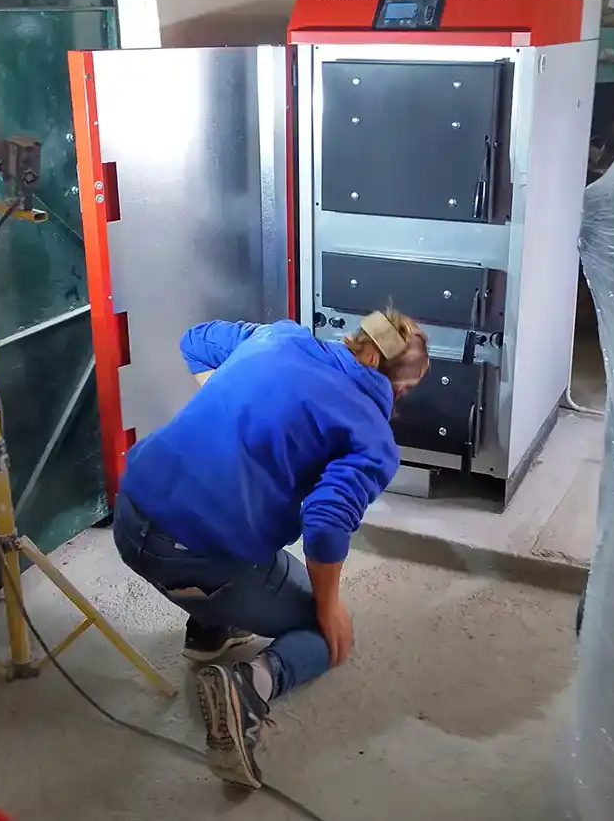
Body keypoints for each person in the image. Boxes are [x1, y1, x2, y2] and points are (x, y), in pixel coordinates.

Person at [112, 310, 429, 789]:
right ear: (401, 389)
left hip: (129, 515)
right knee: (328, 636)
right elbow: (324, 524)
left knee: (247, 533)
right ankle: (249, 688)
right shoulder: (372, 436)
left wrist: (237, 416)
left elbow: (194, 340)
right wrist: (329, 607)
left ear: (357, 337)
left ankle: (207, 632)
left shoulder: (278, 337)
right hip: (195, 558)